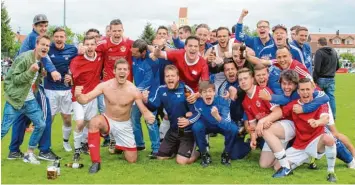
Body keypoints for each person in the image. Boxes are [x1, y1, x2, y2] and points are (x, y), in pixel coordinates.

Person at [74, 58, 155, 173]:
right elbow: (85, 99)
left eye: (125, 69)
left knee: (132, 160)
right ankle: (96, 162)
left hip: (124, 125)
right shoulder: (105, 86)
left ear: (128, 72)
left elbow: (143, 109)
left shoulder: (133, 90)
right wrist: (78, 96)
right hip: (108, 120)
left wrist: (148, 115)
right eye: (119, 69)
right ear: (114, 71)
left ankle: (118, 145)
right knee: (94, 122)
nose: (122, 72)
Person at [6, 14, 61, 161]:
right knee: (45, 115)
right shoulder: (33, 38)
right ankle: (44, 150)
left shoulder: (32, 39)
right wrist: (53, 70)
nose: (43, 28)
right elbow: (45, 57)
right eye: (40, 25)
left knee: (21, 118)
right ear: (34, 27)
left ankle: (14, 151)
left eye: (45, 25)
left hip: (22, 88)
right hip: (30, 86)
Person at [2, 35, 50, 164]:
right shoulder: (24, 58)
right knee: (4, 129)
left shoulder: (40, 60)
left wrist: (41, 74)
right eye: (43, 44)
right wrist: (30, 71)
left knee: (40, 124)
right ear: (36, 45)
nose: (45, 47)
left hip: (29, 100)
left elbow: (34, 80)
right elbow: (15, 79)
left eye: (47, 45)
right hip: (15, 99)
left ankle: (29, 154)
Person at [238, 67, 295, 178]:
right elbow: (253, 124)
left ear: (252, 79)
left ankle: (286, 167)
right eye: (240, 80)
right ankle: (292, 154)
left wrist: (263, 121)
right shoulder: (245, 101)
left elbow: (278, 112)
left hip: (286, 124)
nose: (243, 81)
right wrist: (253, 139)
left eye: (245, 78)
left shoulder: (263, 91)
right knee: (265, 164)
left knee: (266, 129)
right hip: (271, 131)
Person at [282, 78, 337, 182]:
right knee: (278, 167)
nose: (305, 92)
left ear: (313, 89)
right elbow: (280, 114)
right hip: (300, 144)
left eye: (308, 89)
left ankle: (331, 172)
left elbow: (325, 118)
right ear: (298, 91)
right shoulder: (293, 105)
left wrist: (317, 122)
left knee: (329, 138)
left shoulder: (320, 102)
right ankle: (307, 159)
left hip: (316, 142)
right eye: (302, 90)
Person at [143, 65, 199, 164]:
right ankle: (177, 149)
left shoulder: (186, 90)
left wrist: (188, 121)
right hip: (173, 131)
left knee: (181, 162)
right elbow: (154, 106)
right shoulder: (161, 90)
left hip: (187, 132)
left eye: (172, 76)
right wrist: (146, 100)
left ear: (178, 78)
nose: (170, 78)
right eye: (167, 76)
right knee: (161, 157)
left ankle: (197, 152)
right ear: (164, 78)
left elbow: (197, 112)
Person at [44, 27, 78, 152]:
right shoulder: (48, 48)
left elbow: (77, 63)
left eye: (61, 36)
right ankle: (45, 145)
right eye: (56, 36)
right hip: (50, 88)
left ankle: (65, 142)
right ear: (53, 37)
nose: (59, 39)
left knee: (67, 119)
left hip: (66, 89)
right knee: (49, 119)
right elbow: (42, 59)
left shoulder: (72, 49)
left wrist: (71, 74)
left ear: (65, 38)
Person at [70, 36, 103, 161]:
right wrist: (70, 81)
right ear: (84, 46)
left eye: (92, 44)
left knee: (90, 123)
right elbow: (70, 78)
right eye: (87, 44)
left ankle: (85, 145)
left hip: (92, 97)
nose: (90, 46)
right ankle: (77, 151)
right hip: (78, 97)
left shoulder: (100, 57)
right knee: (79, 123)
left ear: (95, 46)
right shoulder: (77, 61)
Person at [191, 81, 238, 167]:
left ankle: (226, 154)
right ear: (200, 95)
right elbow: (193, 114)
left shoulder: (222, 101)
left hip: (220, 124)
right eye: (204, 92)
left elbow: (227, 124)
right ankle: (204, 154)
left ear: (214, 92)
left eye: (210, 91)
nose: (207, 94)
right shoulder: (197, 102)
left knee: (233, 129)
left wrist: (217, 117)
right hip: (206, 125)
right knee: (196, 127)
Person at [130, 39, 160, 157]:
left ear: (143, 52)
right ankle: (139, 144)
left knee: (150, 121)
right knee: (134, 118)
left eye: (135, 52)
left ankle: (156, 149)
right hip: (138, 94)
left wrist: (134, 91)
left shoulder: (152, 61)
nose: (132, 54)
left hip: (150, 95)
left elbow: (148, 81)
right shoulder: (134, 58)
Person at [313, 37, 340, 120]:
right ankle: (333, 117)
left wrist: (314, 79)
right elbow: (338, 66)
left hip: (321, 78)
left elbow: (317, 68)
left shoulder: (319, 52)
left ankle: (317, 116)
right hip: (331, 78)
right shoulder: (334, 51)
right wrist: (331, 72)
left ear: (319, 43)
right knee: (331, 98)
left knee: (317, 97)